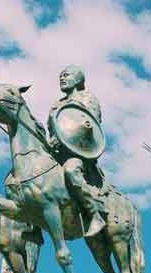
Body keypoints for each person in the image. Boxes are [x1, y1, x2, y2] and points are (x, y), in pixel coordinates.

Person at [46, 65, 107, 238]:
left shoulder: (87, 98)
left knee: (71, 170)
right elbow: (52, 128)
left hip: (78, 153)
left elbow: (90, 124)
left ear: (78, 79)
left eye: (66, 75)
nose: (62, 78)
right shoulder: (57, 105)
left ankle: (94, 214)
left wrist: (65, 137)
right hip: (57, 153)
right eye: (60, 76)